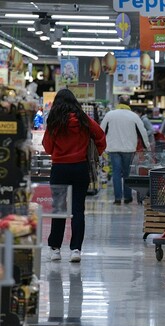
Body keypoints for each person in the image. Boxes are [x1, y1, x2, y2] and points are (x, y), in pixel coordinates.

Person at [42, 89, 106, 262]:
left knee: (59, 208)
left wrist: (58, 150)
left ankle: (55, 249)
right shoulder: (84, 120)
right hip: (80, 167)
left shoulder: (54, 121)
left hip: (59, 169)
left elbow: (47, 147)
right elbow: (100, 136)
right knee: (78, 209)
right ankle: (75, 250)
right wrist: (96, 152)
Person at [101, 95, 149, 205]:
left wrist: (100, 147)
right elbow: (143, 132)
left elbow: (101, 130)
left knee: (116, 173)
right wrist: (147, 147)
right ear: (129, 103)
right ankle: (128, 198)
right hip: (129, 149)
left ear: (119, 102)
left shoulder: (110, 115)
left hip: (113, 148)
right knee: (127, 173)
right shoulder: (134, 116)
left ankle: (117, 198)